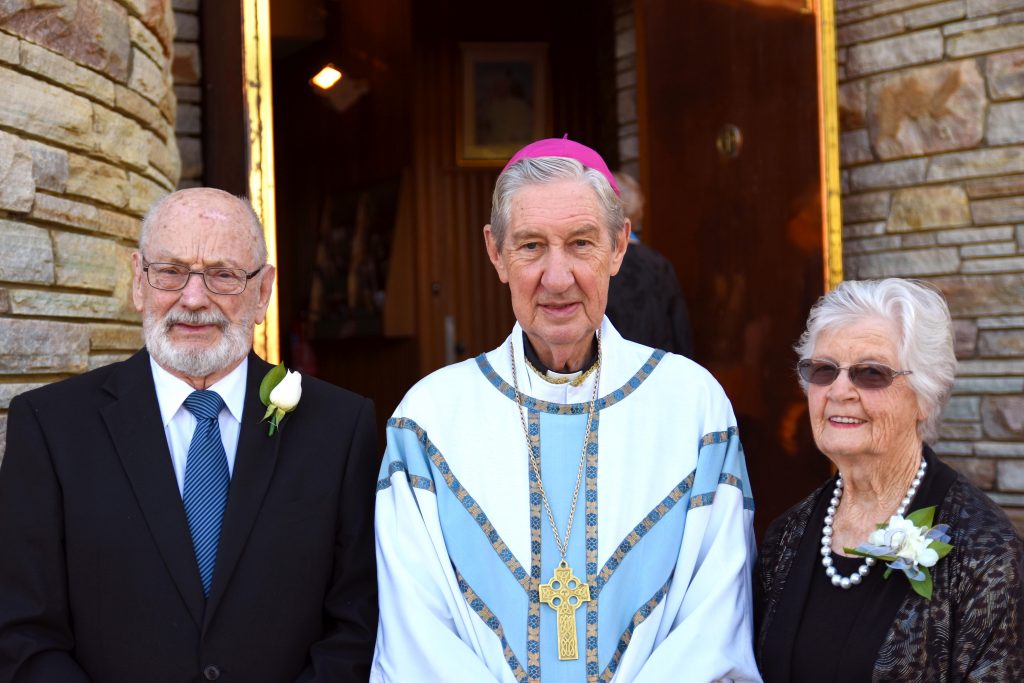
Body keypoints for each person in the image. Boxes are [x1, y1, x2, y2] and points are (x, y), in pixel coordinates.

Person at [372, 137, 759, 682]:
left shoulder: (692, 405)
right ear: (495, 252)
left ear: (620, 247)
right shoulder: (430, 419)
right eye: (531, 246)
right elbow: (417, 634)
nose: (557, 278)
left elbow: (714, 622)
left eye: (581, 243)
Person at [0, 188, 379, 681]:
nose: (193, 299)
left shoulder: (340, 427)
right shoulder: (50, 426)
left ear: (263, 291)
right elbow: (21, 630)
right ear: (139, 281)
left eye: (223, 275)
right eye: (171, 271)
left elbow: (357, 620)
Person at [755, 278, 1023, 682]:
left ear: (925, 395)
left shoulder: (987, 556)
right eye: (824, 370)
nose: (839, 390)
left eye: (870, 373)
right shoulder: (785, 539)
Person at [604, 171, 693, 357]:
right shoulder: (657, 264)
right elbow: (679, 329)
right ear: (637, 214)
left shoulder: (593, 262)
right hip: (656, 368)